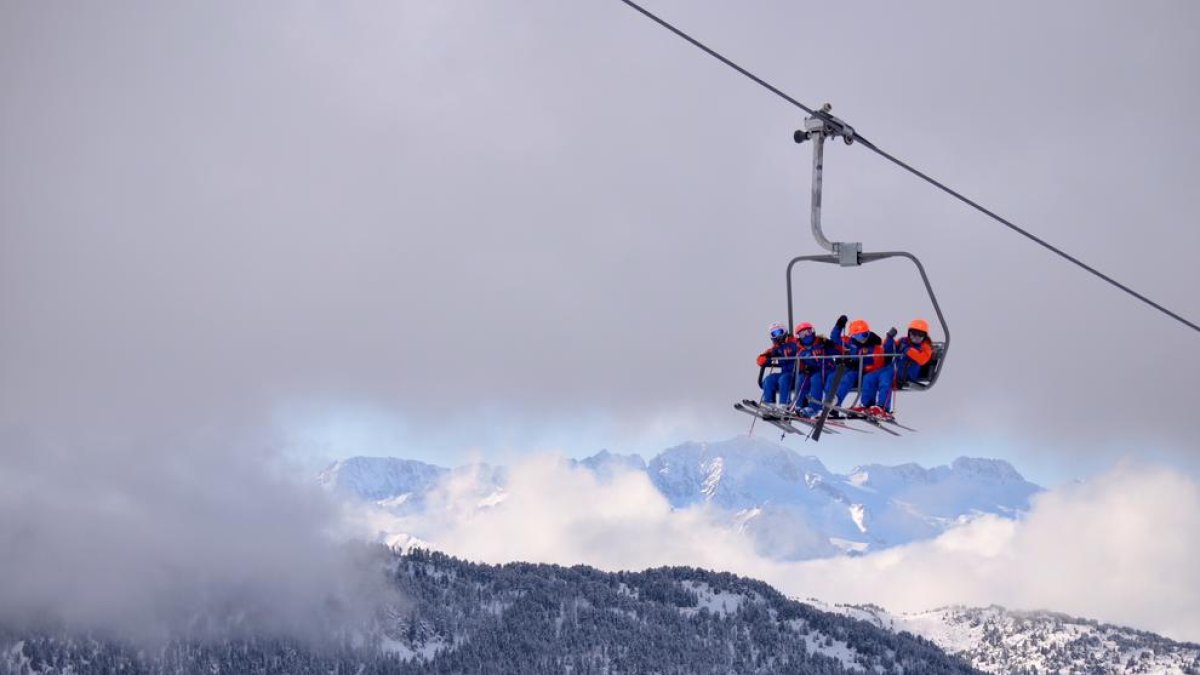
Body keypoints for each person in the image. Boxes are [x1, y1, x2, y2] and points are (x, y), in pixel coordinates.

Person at [830, 315, 893, 414]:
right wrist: (839, 325)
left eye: (863, 335)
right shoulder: (851, 342)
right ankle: (836, 402)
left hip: (869, 372)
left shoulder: (876, 346)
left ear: (868, 333)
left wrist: (860, 366)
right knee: (848, 377)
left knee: (868, 379)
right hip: (857, 371)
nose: (860, 339)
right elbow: (834, 338)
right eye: (856, 336)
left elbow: (878, 365)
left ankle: (870, 405)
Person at [877, 318, 935, 418]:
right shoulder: (903, 341)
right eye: (913, 333)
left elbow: (922, 359)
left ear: (925, 336)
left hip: (906, 376)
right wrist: (889, 338)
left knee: (885, 381)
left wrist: (908, 350)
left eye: (920, 335)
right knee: (871, 378)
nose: (916, 337)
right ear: (909, 333)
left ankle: (883, 408)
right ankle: (868, 405)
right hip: (894, 370)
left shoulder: (926, 347)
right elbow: (888, 350)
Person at [793, 321, 840, 417]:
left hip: (830, 369)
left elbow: (837, 351)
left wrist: (830, 345)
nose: (806, 336)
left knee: (830, 382)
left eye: (808, 332)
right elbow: (800, 364)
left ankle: (831, 406)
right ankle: (814, 408)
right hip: (817, 372)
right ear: (799, 337)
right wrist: (805, 368)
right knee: (814, 380)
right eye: (802, 334)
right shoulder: (801, 351)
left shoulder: (821, 342)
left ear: (813, 332)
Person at [756, 322, 799, 405]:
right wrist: (767, 359)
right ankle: (769, 403)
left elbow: (805, 349)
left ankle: (785, 404)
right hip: (785, 373)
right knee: (769, 380)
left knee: (783, 379)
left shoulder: (796, 342)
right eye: (774, 334)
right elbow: (760, 359)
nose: (777, 336)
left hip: (797, 374)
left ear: (784, 331)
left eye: (779, 332)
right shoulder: (777, 347)